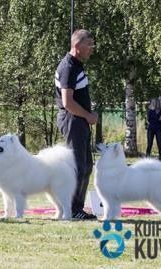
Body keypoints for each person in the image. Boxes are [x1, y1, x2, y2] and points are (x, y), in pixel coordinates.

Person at [54, 29, 98, 220]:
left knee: (86, 164)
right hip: (72, 119)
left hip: (78, 120)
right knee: (78, 166)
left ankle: (77, 207)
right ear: (77, 46)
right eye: (89, 44)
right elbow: (68, 102)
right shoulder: (68, 67)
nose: (92, 49)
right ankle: (72, 208)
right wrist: (88, 115)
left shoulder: (77, 65)